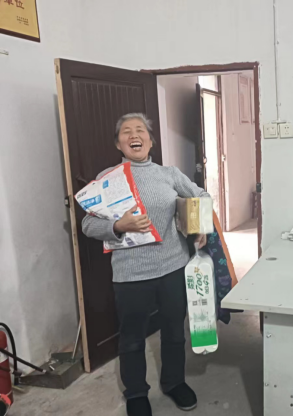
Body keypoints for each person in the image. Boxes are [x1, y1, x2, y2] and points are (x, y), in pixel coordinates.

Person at [82, 113, 209, 416]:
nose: (134, 135)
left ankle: (174, 382)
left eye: (140, 130)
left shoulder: (169, 174)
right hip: (130, 274)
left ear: (151, 141)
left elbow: (201, 195)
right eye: (126, 131)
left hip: (173, 267)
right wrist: (118, 225)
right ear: (118, 143)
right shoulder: (108, 178)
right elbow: (87, 224)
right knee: (132, 338)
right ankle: (137, 393)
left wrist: (199, 222)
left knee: (174, 331)